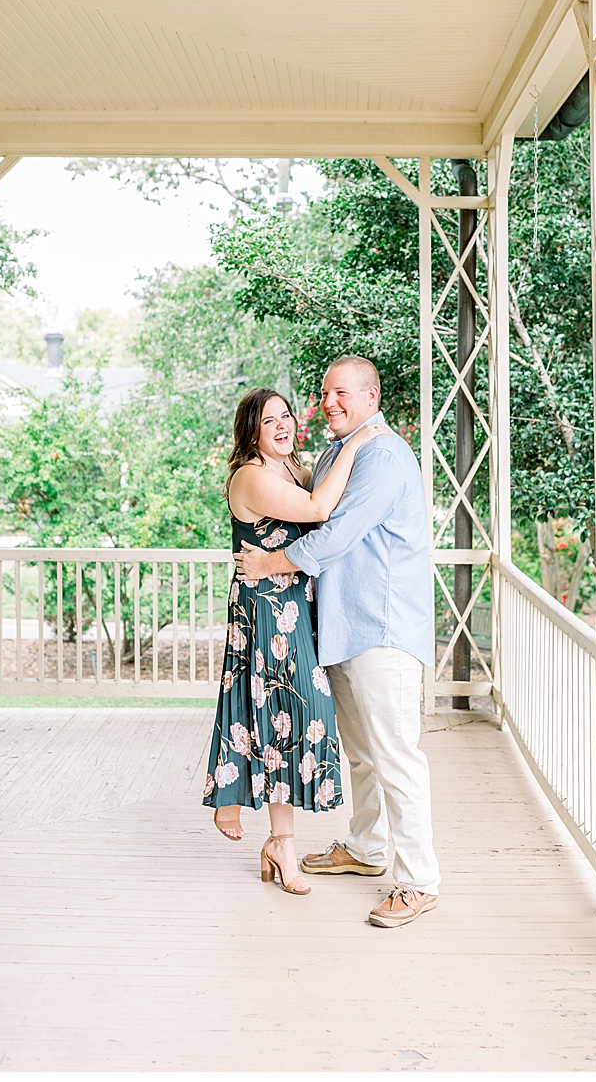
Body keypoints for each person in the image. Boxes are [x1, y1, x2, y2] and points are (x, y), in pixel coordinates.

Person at [235, 355, 442, 929]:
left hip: (380, 628)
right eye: (325, 393)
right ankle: (368, 847)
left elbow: (337, 529)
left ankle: (418, 880)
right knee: (363, 754)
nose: (330, 402)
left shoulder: (382, 454)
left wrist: (271, 561)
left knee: (397, 756)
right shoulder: (337, 450)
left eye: (343, 393)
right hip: (343, 630)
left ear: (372, 397)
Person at [203, 386, 383, 893]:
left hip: (296, 609)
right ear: (251, 432)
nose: (282, 425)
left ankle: (280, 842)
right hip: (266, 612)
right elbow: (322, 508)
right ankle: (245, 808)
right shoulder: (252, 476)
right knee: (285, 710)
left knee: (292, 716)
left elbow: (336, 500)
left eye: (286, 416)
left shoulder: (293, 470)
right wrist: (355, 440)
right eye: (269, 421)